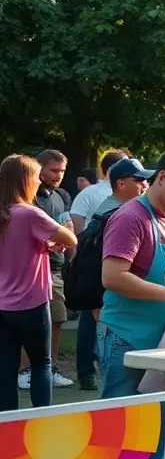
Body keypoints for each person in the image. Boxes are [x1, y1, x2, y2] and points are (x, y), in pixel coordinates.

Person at [99, 149, 165, 400]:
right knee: (122, 421)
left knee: (162, 421)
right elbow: (113, 277)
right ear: (161, 177)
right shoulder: (130, 217)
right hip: (127, 339)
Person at [0, 155, 78, 410]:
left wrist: (42, 244)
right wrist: (51, 243)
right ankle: (41, 421)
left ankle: (7, 428)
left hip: (2, 304)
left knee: (6, 370)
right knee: (41, 364)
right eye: (35, 177)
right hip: (31, 302)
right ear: (26, 181)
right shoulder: (29, 213)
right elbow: (71, 238)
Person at [75, 157, 153, 391]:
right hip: (107, 298)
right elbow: (102, 266)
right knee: (117, 383)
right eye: (138, 179)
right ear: (120, 183)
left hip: (107, 298)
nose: (145, 184)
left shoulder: (122, 210)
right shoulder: (115, 214)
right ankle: (87, 373)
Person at [28, 149, 74, 390]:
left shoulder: (60, 195)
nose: (58, 175)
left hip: (56, 267)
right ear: (39, 169)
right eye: (53, 170)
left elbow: (66, 225)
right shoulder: (30, 196)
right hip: (34, 267)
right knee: (34, 322)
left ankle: (50, 366)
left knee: (57, 319)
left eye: (62, 171)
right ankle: (26, 371)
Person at [70, 150, 127, 233]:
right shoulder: (89, 192)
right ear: (110, 169)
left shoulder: (131, 192)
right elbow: (76, 218)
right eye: (125, 166)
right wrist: (82, 243)